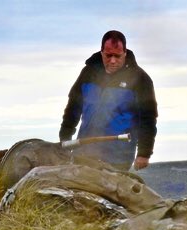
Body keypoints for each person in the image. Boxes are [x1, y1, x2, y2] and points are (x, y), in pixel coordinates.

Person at [59, 30, 158, 170]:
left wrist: (144, 153)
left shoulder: (140, 79)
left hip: (118, 156)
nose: (112, 60)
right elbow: (73, 106)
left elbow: (148, 119)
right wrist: (65, 137)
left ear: (125, 53)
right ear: (101, 53)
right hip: (85, 151)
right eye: (108, 55)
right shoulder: (88, 73)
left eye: (117, 56)